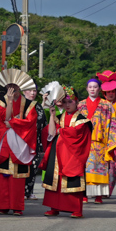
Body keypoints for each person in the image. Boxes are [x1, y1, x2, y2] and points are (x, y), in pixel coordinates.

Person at [0, 71, 38, 216]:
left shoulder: (29, 104)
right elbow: (3, 119)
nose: (12, 88)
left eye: (15, 85)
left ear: (20, 85)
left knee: (17, 177)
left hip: (21, 141)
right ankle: (2, 205)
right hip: (4, 141)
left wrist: (14, 123)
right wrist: (8, 101)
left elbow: (30, 122)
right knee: (2, 175)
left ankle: (17, 206)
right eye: (10, 85)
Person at [41, 87, 91, 218]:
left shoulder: (82, 119)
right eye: (65, 102)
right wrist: (52, 116)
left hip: (72, 154)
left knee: (72, 179)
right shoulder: (58, 117)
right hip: (57, 153)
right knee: (55, 180)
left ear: (77, 102)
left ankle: (76, 209)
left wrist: (60, 131)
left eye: (70, 102)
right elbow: (50, 132)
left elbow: (76, 133)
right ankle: (54, 207)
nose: (67, 105)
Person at [79, 75, 116, 204]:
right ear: (86, 89)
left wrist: (111, 142)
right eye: (90, 87)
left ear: (99, 88)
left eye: (95, 87)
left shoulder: (107, 105)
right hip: (83, 142)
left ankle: (99, 195)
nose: (92, 89)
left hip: (100, 143)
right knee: (83, 168)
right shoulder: (80, 105)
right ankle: (83, 193)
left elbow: (112, 124)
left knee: (100, 168)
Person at [22, 87, 45, 201]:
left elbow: (43, 124)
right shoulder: (21, 104)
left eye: (35, 90)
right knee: (22, 166)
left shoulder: (38, 106)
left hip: (37, 140)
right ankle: (21, 191)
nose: (32, 93)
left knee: (33, 167)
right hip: (23, 140)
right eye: (29, 90)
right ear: (23, 91)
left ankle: (29, 191)